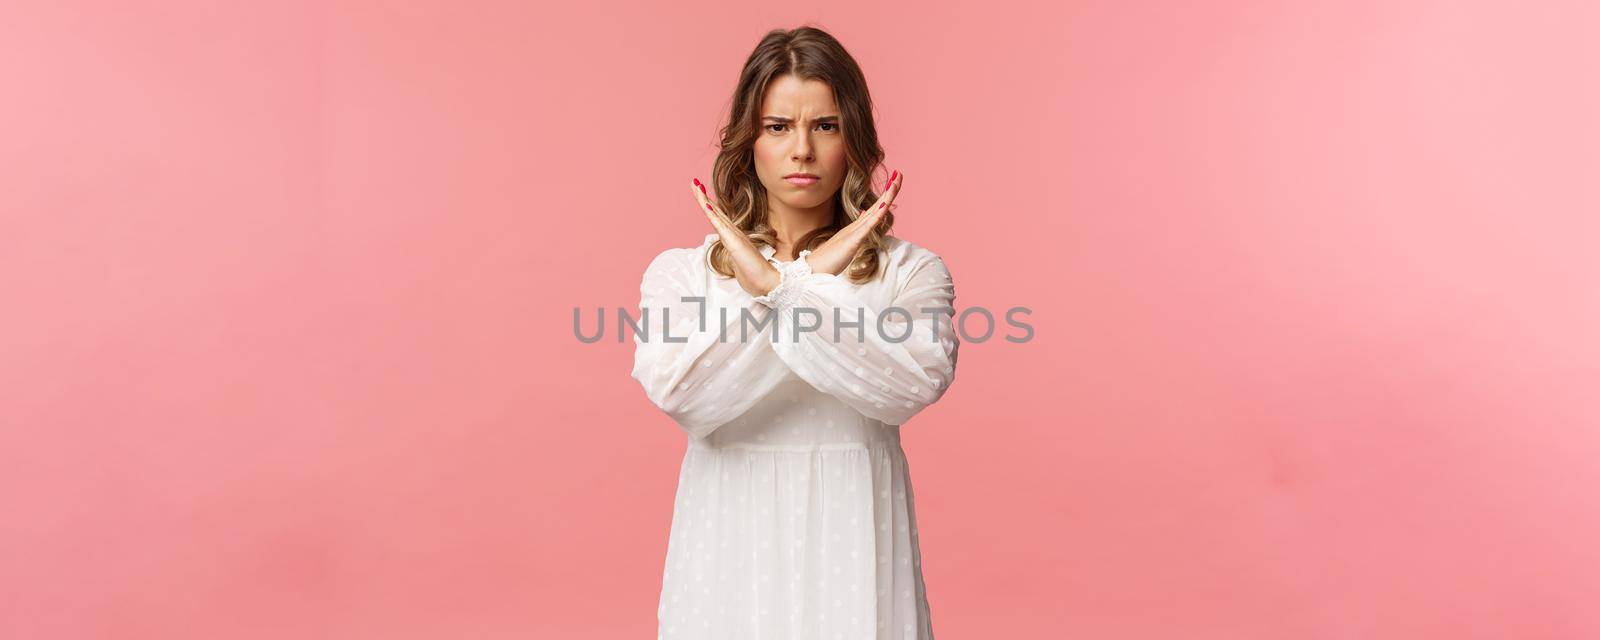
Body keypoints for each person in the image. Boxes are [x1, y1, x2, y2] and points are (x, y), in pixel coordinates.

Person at [631, 26, 959, 640]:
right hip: (727, 538)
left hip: (856, 533)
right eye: (778, 127)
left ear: (853, 139)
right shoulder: (681, 274)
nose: (801, 150)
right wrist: (795, 285)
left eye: (826, 126)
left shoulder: (911, 271)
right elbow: (686, 397)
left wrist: (789, 286)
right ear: (748, 141)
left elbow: (912, 384)